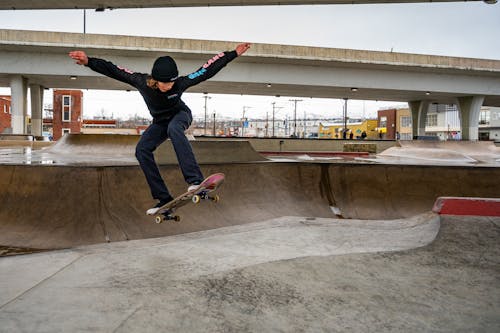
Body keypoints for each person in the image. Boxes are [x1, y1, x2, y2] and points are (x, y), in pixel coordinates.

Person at [69, 43, 251, 214]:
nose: (169, 86)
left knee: (174, 129)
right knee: (142, 150)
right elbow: (115, 70)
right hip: (160, 122)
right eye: (165, 84)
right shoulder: (140, 81)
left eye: (171, 83)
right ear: (155, 80)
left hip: (181, 116)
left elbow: (206, 70)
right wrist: (88, 62)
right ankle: (163, 198)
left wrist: (233, 53)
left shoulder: (180, 83)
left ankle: (195, 180)